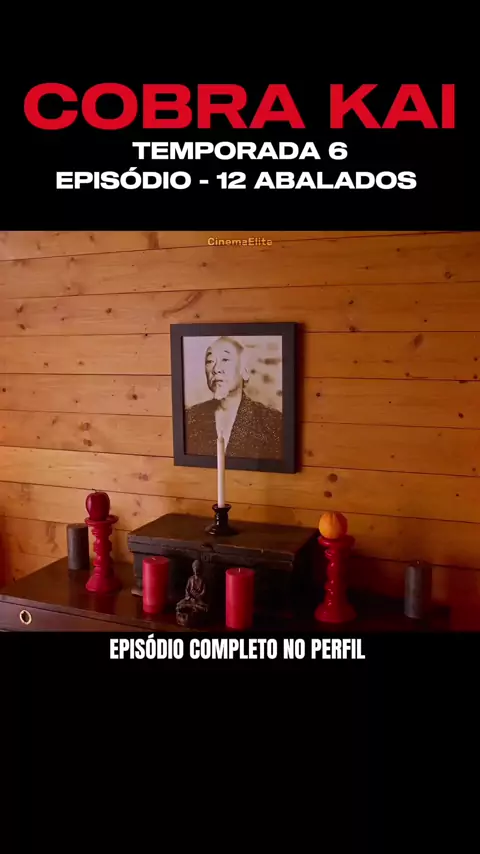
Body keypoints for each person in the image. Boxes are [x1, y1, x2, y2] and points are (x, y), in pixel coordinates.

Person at [184, 336, 283, 459]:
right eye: (210, 361)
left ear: (245, 370)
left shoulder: (272, 422)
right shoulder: (189, 418)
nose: (216, 369)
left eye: (225, 359)